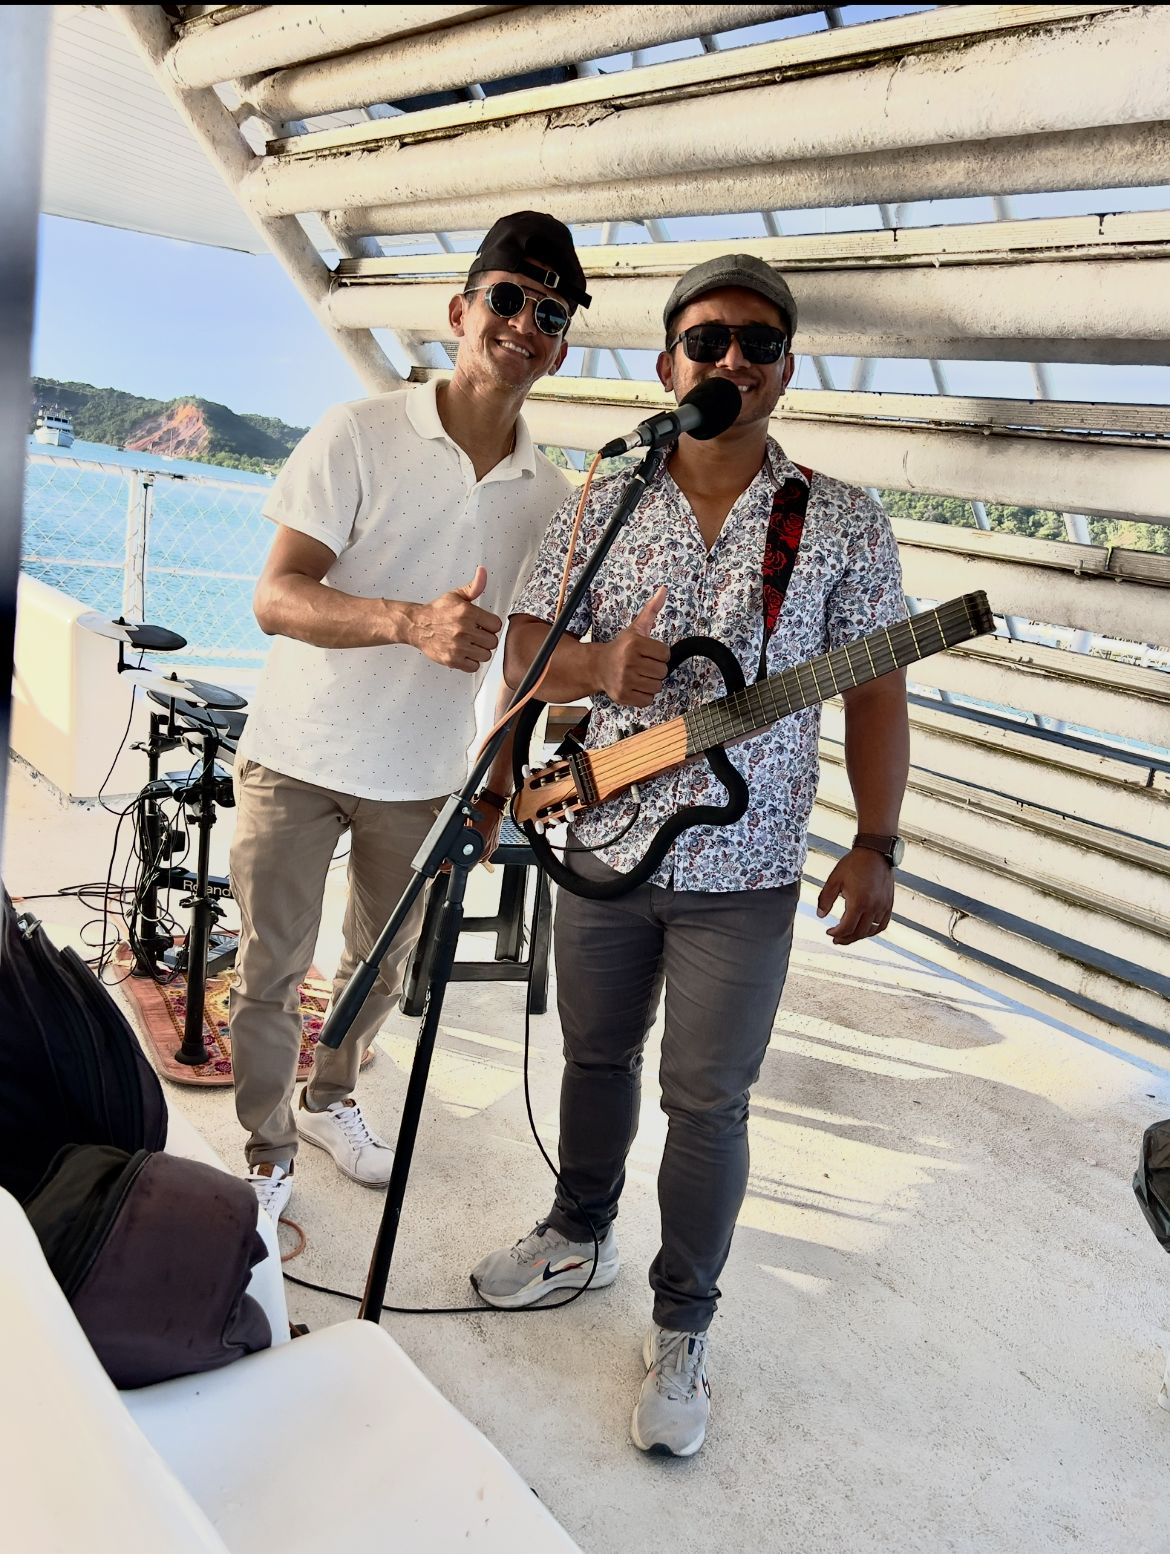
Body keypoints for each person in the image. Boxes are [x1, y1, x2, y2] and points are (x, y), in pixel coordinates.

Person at [470, 253, 909, 1457]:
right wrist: (589, 681)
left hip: (750, 871)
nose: (731, 362)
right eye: (707, 341)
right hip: (607, 844)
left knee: (708, 1102)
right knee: (594, 1060)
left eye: (758, 345)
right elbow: (523, 644)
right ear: (669, 363)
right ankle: (577, 1232)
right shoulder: (605, 494)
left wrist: (878, 843)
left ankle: (685, 1324)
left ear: (783, 372)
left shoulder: (841, 522)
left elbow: (874, 693)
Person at [228, 212, 589, 1224]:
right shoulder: (360, 433)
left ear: (560, 346)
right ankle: (263, 1159)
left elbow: (521, 663)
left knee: (380, 966)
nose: (526, 321)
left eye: (550, 311)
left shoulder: (548, 499)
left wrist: (499, 779)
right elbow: (276, 597)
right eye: (509, 296)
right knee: (270, 971)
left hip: (427, 775)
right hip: (296, 757)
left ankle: (329, 1099)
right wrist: (407, 622)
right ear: (461, 309)